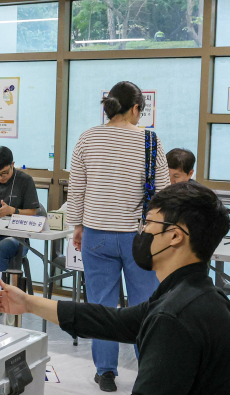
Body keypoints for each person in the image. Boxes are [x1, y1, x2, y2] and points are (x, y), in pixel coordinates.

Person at [0, 182, 230, 395]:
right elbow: (112, 320)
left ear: (175, 236)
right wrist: (29, 303)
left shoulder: (173, 319)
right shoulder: (201, 295)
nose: (142, 231)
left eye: (148, 223)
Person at [67, 81, 170, 392]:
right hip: (138, 238)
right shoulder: (150, 141)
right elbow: (164, 193)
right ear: (136, 108)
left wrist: (77, 226)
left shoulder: (87, 138)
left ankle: (106, 373)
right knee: (146, 303)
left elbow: (78, 190)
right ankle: (149, 369)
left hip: (96, 233)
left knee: (101, 305)